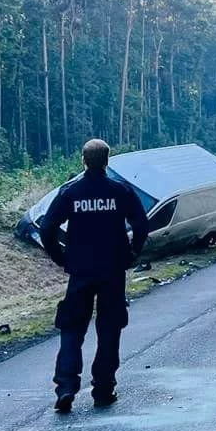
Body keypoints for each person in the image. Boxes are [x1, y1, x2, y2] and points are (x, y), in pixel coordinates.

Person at [39, 138, 150, 413]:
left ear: (83, 160)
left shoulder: (70, 193)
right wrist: (134, 251)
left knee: (72, 328)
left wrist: (61, 256)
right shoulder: (120, 191)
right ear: (108, 160)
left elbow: (47, 227)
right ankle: (103, 388)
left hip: (80, 271)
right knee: (109, 329)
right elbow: (141, 223)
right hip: (112, 271)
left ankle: (65, 387)